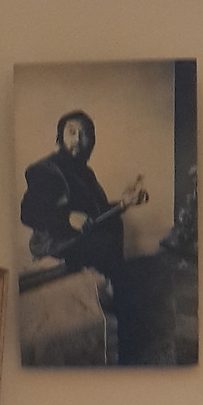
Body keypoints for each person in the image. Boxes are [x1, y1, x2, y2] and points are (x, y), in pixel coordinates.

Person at [19, 111, 145, 282]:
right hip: (58, 245)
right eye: (72, 132)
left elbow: (96, 215)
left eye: (84, 134)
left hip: (84, 242)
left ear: (92, 142)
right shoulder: (45, 169)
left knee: (113, 225)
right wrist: (67, 218)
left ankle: (116, 287)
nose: (78, 139)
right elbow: (28, 213)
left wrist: (124, 203)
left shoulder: (86, 173)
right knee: (104, 242)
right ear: (60, 138)